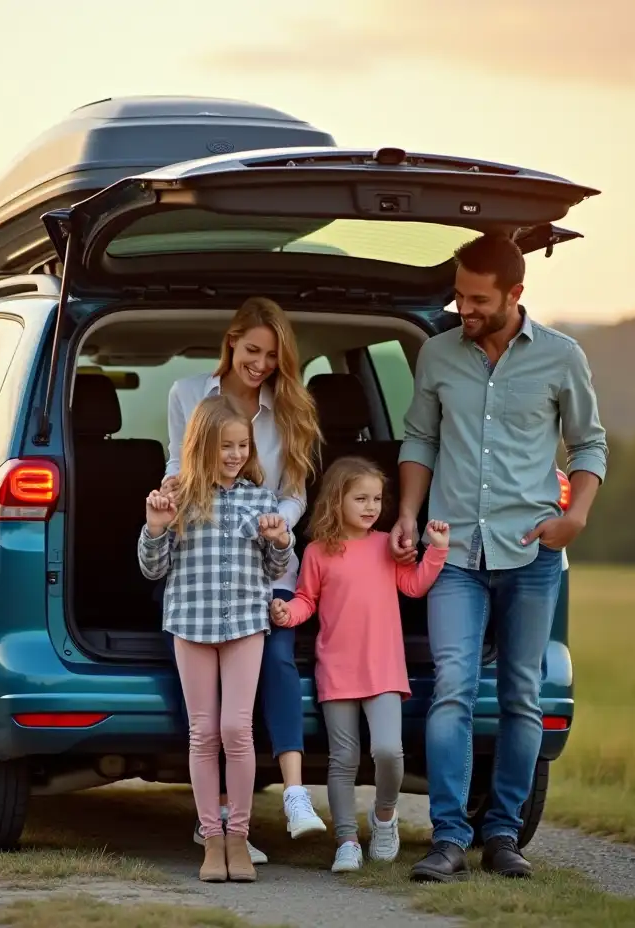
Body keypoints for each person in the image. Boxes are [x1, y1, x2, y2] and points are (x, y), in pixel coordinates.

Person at [391, 234, 608, 882]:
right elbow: (420, 438)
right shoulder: (437, 354)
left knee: (520, 694)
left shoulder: (562, 358)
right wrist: (407, 511)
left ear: (516, 294)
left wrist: (575, 518)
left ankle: (505, 834)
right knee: (451, 688)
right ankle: (449, 836)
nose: (464, 307)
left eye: (477, 298)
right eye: (459, 294)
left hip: (531, 555)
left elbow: (590, 444)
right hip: (452, 552)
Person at [160, 296, 326, 862]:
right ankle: (219, 820)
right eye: (252, 350)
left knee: (278, 660)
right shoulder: (187, 394)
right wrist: (168, 504)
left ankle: (292, 794)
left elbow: (295, 491)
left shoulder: (290, 410)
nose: (260, 364)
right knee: (200, 688)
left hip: (268, 557)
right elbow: (178, 465)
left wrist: (278, 524)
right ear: (231, 341)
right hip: (204, 553)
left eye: (272, 357)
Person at [138, 395, 294, 883]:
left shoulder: (262, 500)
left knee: (236, 730)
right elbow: (152, 569)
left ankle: (239, 836)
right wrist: (155, 528)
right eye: (225, 445)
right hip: (191, 622)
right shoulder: (178, 497)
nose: (234, 454)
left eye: (242, 446)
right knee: (203, 732)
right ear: (202, 446)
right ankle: (211, 835)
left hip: (246, 623)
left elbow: (274, 571)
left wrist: (280, 543)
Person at [269, 456, 449, 872]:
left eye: (377, 499)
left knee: (389, 751)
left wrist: (436, 552)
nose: (371, 507)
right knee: (343, 759)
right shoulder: (317, 552)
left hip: (384, 668)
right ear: (337, 501)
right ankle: (346, 839)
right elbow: (307, 601)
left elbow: (415, 585)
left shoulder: (386, 545)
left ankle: (384, 817)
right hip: (337, 670)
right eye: (361, 498)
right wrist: (286, 613)